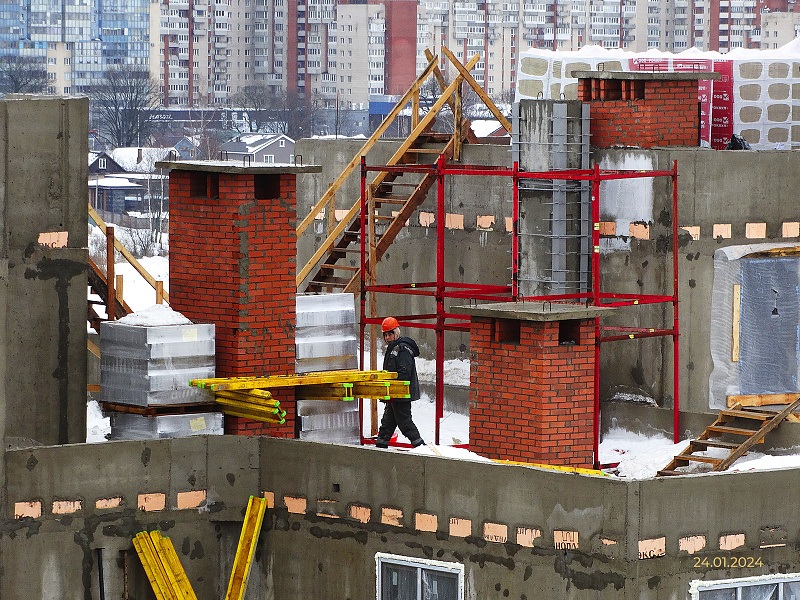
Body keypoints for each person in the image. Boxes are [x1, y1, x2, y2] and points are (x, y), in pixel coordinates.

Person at [375, 316, 425, 448]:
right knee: (388, 422)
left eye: (390, 334)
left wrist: (395, 387)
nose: (387, 337)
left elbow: (404, 373)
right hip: (394, 393)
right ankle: (380, 445)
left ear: (396, 332)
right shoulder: (394, 348)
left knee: (405, 423)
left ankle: (421, 448)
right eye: (385, 334)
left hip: (400, 393)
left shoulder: (402, 349)